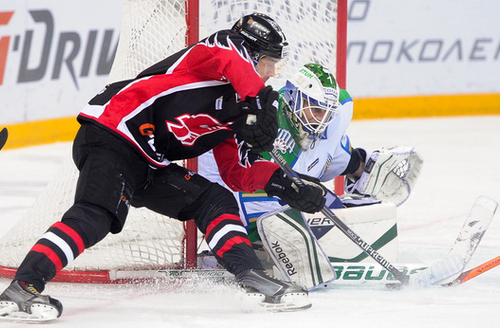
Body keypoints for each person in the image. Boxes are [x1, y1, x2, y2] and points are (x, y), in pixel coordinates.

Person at [0, 13, 327, 320]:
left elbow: (236, 173)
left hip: (148, 160)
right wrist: (256, 102)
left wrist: (284, 184)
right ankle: (22, 288)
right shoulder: (217, 51)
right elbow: (233, 59)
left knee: (214, 200)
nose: (271, 73)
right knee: (97, 214)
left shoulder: (237, 111)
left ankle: (252, 277)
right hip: (116, 130)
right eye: (268, 63)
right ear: (252, 54)